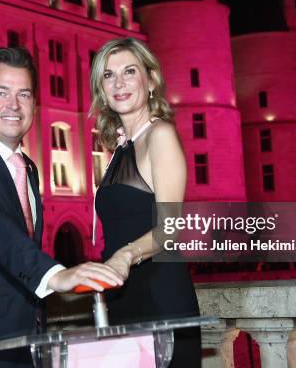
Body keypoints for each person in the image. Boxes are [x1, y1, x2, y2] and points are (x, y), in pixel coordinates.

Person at [0, 47, 123, 368]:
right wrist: (54, 275)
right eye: (1, 92)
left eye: (24, 94)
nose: (14, 105)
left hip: (26, 344)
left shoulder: (28, 169)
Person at [90, 37, 202, 367]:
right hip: (121, 296)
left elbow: (170, 228)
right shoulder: (121, 148)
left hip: (159, 297)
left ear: (150, 80)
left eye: (129, 71)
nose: (119, 83)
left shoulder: (160, 135)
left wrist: (125, 255)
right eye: (108, 75)